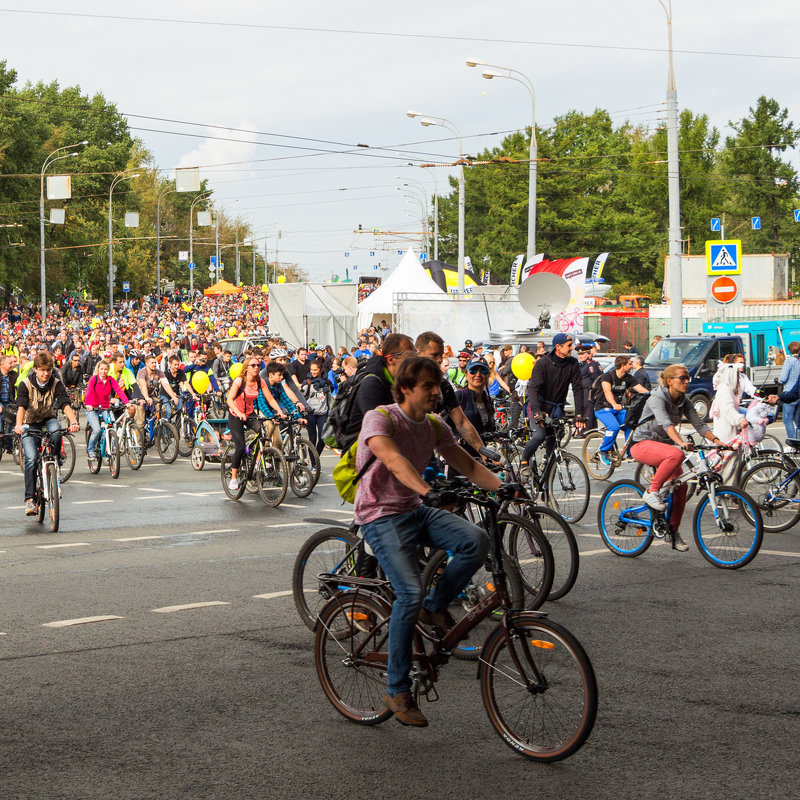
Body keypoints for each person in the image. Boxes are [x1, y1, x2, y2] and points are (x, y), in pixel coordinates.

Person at [354, 355, 502, 727]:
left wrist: (507, 489)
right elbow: (391, 459)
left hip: (414, 508)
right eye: (428, 387)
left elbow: (466, 463)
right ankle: (397, 688)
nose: (437, 393)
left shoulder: (435, 425)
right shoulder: (381, 417)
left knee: (475, 541)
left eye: (438, 386)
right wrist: (426, 490)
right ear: (406, 388)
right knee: (408, 593)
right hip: (380, 514)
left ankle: (434, 605)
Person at [630, 363, 724, 551]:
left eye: (687, 378)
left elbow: (699, 424)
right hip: (641, 443)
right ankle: (652, 491)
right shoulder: (657, 397)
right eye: (682, 378)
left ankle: (671, 532)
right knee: (677, 453)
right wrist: (680, 442)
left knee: (681, 486)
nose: (687, 381)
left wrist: (716, 440)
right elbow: (666, 424)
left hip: (662, 446)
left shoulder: (683, 399)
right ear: (669, 381)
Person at [13, 351, 80, 516]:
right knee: (31, 459)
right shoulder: (25, 384)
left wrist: (74, 422)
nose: (45, 373)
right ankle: (29, 499)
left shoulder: (56, 383)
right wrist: (19, 426)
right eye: (42, 370)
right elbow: (21, 407)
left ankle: (55, 461)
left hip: (48, 419)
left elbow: (65, 403)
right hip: (29, 423)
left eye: (48, 370)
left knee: (57, 430)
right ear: (35, 369)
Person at [520, 333, 585, 468]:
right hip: (539, 405)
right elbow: (533, 389)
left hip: (557, 408)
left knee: (557, 436)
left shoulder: (572, 363)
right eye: (569, 346)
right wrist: (537, 412)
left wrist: (579, 414)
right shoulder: (543, 363)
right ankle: (524, 460)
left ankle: (547, 467)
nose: (572, 348)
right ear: (558, 347)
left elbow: (578, 389)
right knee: (539, 435)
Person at [340, 333, 415, 448]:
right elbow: (379, 431)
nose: (414, 362)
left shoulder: (399, 382)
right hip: (360, 457)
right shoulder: (371, 384)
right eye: (409, 357)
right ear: (391, 359)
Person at [415, 332, 484, 454]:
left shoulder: (444, 385)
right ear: (419, 353)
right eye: (434, 355)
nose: (439, 359)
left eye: (441, 355)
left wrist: (483, 452)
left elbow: (462, 422)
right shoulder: (404, 381)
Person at [226, 356, 287, 491]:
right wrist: (239, 412)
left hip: (249, 413)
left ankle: (258, 459)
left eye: (258, 365)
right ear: (246, 367)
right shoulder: (239, 381)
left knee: (263, 432)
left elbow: (270, 398)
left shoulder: (260, 381)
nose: (256, 368)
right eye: (253, 365)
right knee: (240, 446)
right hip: (236, 414)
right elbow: (230, 400)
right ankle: (234, 478)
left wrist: (279, 411)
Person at [593, 356, 650, 465]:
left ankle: (630, 453)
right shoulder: (607, 376)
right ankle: (603, 451)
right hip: (603, 408)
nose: (632, 366)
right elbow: (607, 392)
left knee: (631, 424)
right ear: (623, 366)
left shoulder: (628, 378)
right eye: (629, 364)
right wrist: (614, 404)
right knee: (613, 426)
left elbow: (640, 389)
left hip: (618, 408)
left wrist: (652, 395)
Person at [83, 359, 129, 462]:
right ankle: (91, 450)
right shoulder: (93, 379)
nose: (103, 371)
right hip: (93, 408)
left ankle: (109, 447)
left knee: (112, 425)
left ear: (108, 370)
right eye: (102, 369)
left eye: (106, 369)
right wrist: (88, 404)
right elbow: (89, 391)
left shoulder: (110, 379)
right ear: (98, 369)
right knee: (97, 430)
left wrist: (127, 402)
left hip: (105, 408)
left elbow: (119, 391)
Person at [302, 360, 334, 454]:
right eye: (312, 370)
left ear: (320, 370)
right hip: (311, 414)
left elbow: (329, 399)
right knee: (312, 439)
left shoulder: (326, 383)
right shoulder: (307, 382)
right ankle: (313, 464)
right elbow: (301, 397)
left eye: (315, 370)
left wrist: (332, 412)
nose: (313, 372)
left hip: (322, 413)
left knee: (322, 437)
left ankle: (316, 457)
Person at [778, 341, 800, 441]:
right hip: (798, 393)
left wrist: (777, 380)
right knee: (798, 421)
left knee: (788, 419)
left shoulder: (789, 360)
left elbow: (783, 378)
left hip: (789, 393)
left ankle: (793, 442)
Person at [577, 344, 602, 433]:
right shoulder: (581, 365)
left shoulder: (591, 364)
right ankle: (592, 429)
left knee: (588, 409)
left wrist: (594, 390)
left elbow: (596, 378)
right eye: (579, 354)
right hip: (583, 390)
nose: (580, 356)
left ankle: (587, 430)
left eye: (582, 354)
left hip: (589, 390)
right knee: (588, 409)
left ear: (588, 354)